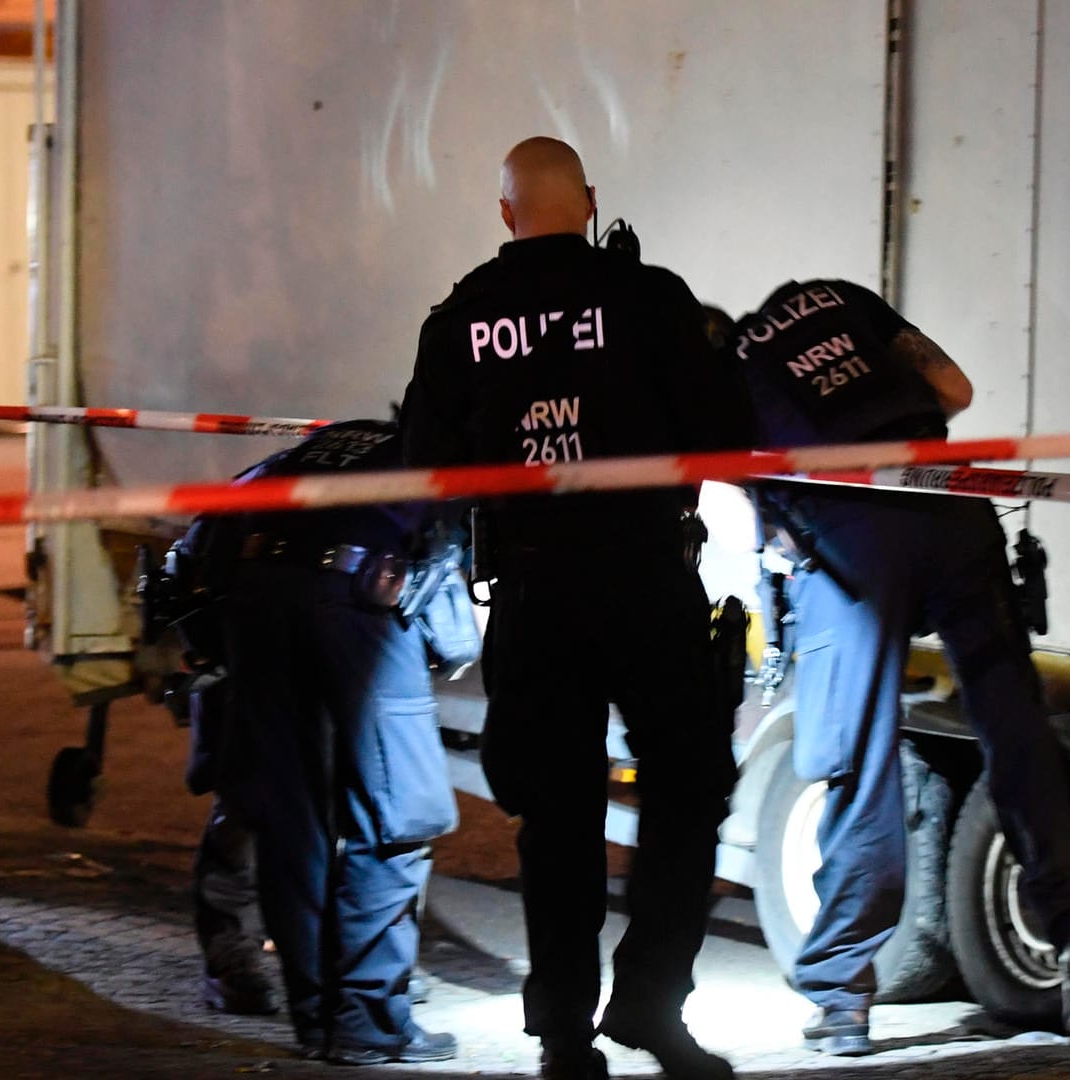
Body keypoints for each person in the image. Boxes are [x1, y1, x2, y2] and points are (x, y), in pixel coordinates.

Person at [399, 136, 751, 1080]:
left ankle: (563, 1034)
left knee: (556, 816)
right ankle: (649, 1008)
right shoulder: (650, 299)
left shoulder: (462, 317)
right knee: (685, 793)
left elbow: (422, 467)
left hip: (535, 587)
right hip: (647, 578)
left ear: (504, 212)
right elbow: (726, 438)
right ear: (589, 202)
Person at [722, 279, 1070, 1051]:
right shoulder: (840, 299)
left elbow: (751, 494)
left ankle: (843, 997)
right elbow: (954, 387)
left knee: (858, 760)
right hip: (949, 502)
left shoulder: (731, 367)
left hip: (851, 542)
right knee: (1016, 732)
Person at [164, 418, 466, 1063]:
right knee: (396, 817)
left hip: (252, 596)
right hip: (358, 601)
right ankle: (366, 1022)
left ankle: (317, 1018)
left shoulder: (312, 450)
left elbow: (192, 557)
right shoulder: (443, 454)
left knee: (289, 821)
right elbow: (457, 629)